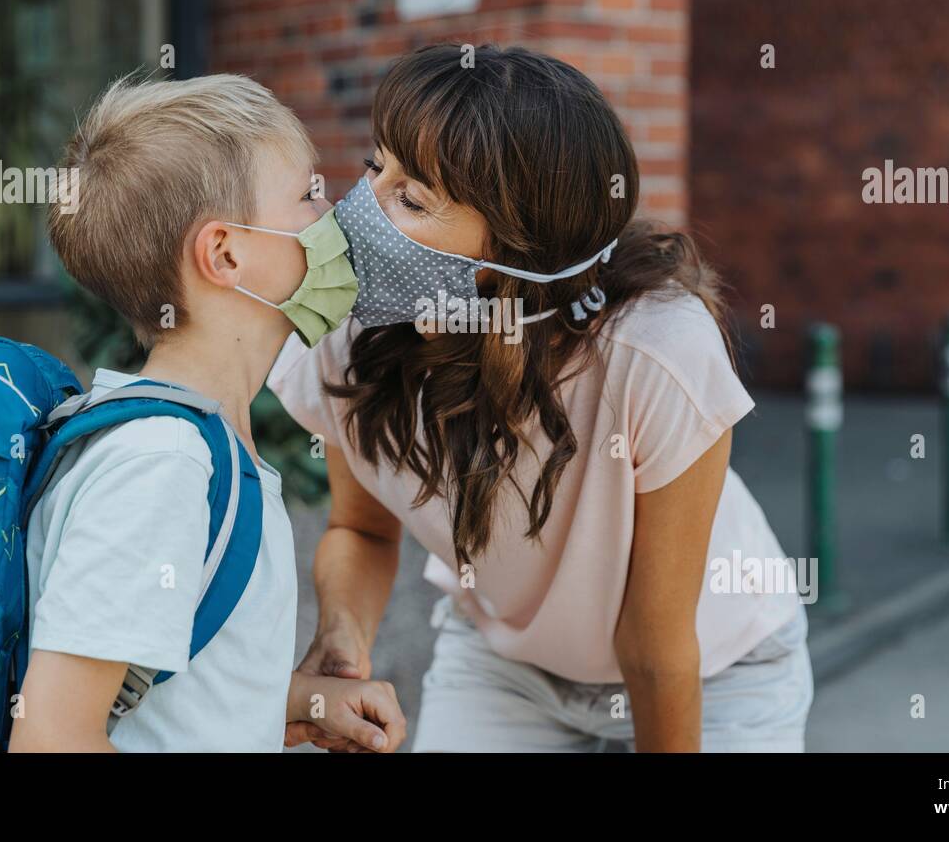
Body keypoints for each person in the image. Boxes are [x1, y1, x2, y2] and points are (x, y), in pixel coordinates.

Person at [271, 44, 813, 752]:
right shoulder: (351, 337)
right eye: (377, 167)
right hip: (510, 663)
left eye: (411, 198)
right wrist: (341, 640)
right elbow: (363, 530)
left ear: (520, 251)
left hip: (719, 668)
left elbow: (656, 648)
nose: (359, 211)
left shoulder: (656, 354)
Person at [11, 74, 404, 752]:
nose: (333, 212)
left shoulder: (201, 447)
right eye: (308, 194)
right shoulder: (160, 466)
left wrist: (308, 699)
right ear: (225, 253)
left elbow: (173, 705)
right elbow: (52, 738)